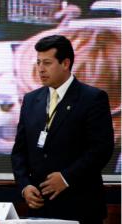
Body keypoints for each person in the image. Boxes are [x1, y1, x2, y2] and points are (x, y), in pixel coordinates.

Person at [11, 35, 114, 223]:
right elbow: (19, 152)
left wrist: (67, 177)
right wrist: (25, 186)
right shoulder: (31, 100)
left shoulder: (92, 98)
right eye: (38, 62)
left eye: (47, 63)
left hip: (80, 206)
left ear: (65, 63)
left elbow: (101, 149)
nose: (40, 69)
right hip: (40, 208)